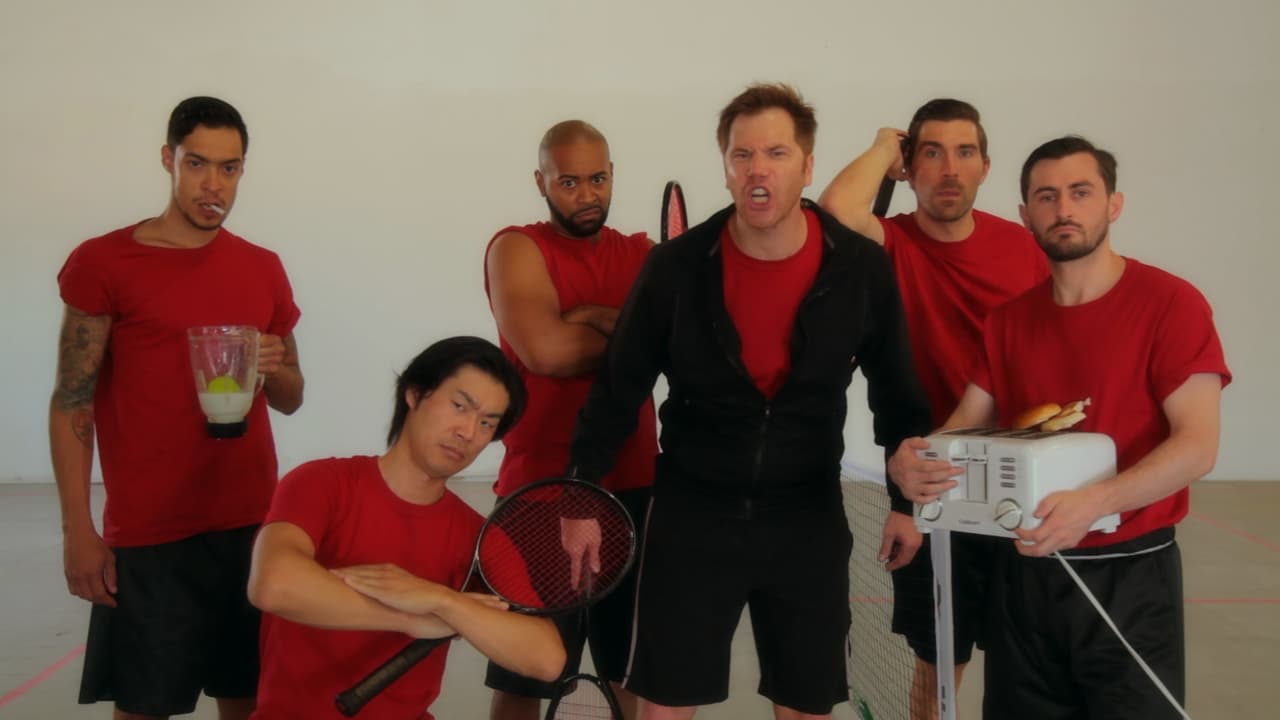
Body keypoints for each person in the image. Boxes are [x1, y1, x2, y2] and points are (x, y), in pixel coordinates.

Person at [567, 83, 932, 720]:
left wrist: (907, 505)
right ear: (727, 168)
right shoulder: (676, 268)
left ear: (807, 166)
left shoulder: (860, 269)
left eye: (776, 153)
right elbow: (618, 389)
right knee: (664, 706)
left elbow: (896, 391)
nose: (758, 168)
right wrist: (581, 496)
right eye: (743, 155)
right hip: (691, 515)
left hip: (807, 517)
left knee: (805, 704)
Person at [892, 136, 1230, 719]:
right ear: (1026, 215)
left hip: (1129, 579)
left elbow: (1198, 445)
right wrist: (914, 460)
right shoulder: (1008, 322)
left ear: (1113, 204)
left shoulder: (1171, 304)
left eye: (1081, 192)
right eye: (1046, 197)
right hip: (1025, 578)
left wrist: (1095, 502)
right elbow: (963, 426)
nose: (1064, 209)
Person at [50, 96, 304, 720]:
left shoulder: (263, 268)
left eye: (229, 168)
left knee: (249, 700)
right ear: (169, 159)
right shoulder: (105, 262)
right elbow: (71, 401)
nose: (213, 184)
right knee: (145, 706)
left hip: (249, 521)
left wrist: (275, 366)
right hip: (151, 530)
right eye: (197, 164)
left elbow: (292, 397)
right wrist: (78, 530)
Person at [819, 98, 1048, 717]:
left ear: (985, 167)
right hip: (932, 481)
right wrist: (880, 146)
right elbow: (837, 209)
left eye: (965, 152)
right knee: (939, 664)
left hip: (1017, 481)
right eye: (931, 153)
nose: (950, 169)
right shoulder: (888, 245)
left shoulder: (1024, 249)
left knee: (1026, 659)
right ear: (908, 168)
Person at [248, 336, 566, 719]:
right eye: (460, 406)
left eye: (486, 423)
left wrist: (442, 601)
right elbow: (274, 584)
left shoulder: (481, 535)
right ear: (414, 394)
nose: (468, 431)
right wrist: (411, 618)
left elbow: (547, 658)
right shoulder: (319, 482)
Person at [483, 119, 657, 720]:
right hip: (540, 491)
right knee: (523, 680)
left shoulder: (643, 255)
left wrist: (588, 316)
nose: (587, 194)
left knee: (628, 675)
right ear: (542, 182)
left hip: (633, 489)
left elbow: (671, 346)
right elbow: (546, 352)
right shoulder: (515, 248)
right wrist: (632, 332)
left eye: (598, 179)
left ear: (613, 176)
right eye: (569, 182)